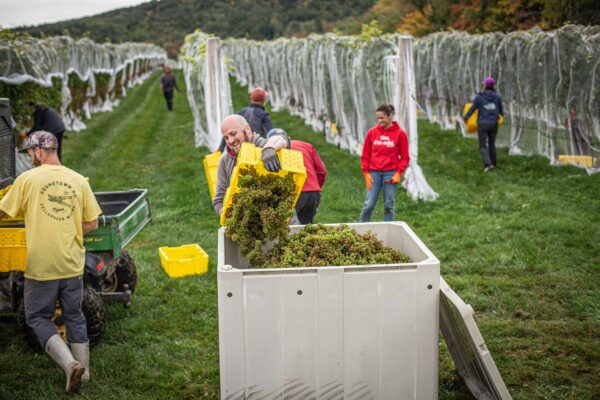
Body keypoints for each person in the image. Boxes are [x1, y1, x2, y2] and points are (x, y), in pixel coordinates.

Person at [0, 131, 102, 393]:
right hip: (71, 262)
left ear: (38, 151)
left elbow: (2, 211)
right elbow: (92, 223)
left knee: (36, 316)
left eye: (31, 153)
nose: (31, 158)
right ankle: (85, 372)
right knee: (75, 315)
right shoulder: (78, 180)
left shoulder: (27, 180)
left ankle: (69, 365)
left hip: (41, 264)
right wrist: (66, 227)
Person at [213, 115, 290, 217]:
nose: (230, 141)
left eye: (233, 134)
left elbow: (283, 139)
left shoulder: (264, 145)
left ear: (248, 130)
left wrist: (269, 148)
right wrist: (225, 213)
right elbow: (219, 199)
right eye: (226, 137)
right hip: (248, 223)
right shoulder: (225, 160)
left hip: (281, 220)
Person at [359, 104, 409, 223]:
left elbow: (405, 157)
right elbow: (365, 155)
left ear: (390, 116)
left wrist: (398, 172)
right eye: (378, 118)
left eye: (382, 118)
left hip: (390, 174)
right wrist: (366, 173)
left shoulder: (400, 134)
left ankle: (389, 229)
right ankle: (360, 230)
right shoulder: (372, 133)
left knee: (388, 205)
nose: (379, 121)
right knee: (369, 204)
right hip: (374, 173)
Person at [267, 130, 327, 224]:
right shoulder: (306, 145)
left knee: (292, 229)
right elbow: (322, 171)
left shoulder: (272, 152)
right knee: (306, 228)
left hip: (294, 194)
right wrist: (315, 187)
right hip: (313, 193)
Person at [463, 76, 504, 172]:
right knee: (492, 144)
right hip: (494, 123)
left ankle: (488, 165)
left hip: (483, 124)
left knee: (482, 146)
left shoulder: (479, 98)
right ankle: (493, 163)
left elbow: (472, 109)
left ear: (485, 85)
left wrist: (466, 117)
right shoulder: (497, 97)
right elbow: (501, 112)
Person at [217, 87, 274, 152]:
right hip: (257, 149)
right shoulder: (263, 115)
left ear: (251, 98)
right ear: (264, 100)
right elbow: (271, 133)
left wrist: (220, 150)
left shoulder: (242, 112)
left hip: (241, 149)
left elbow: (229, 132)